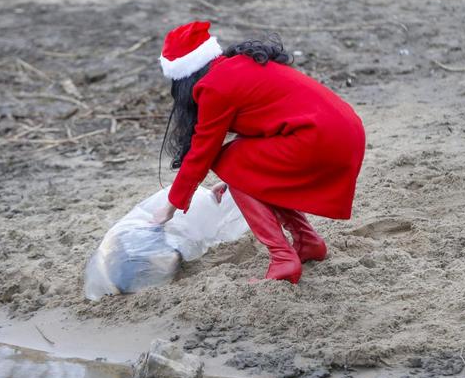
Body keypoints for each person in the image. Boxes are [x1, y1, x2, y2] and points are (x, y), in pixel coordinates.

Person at [152, 21, 365, 284]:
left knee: (229, 162)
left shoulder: (214, 87)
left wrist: (170, 207)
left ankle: (282, 259)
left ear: (183, 77)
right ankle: (307, 241)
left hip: (318, 138)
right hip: (344, 131)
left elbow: (201, 152)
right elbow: (266, 122)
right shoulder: (238, 65)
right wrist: (235, 178)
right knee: (236, 166)